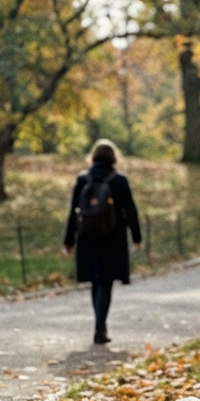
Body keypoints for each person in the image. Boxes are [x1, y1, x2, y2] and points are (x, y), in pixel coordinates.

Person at [63, 140, 142, 344]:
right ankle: (100, 327)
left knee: (95, 281)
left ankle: (99, 324)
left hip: (88, 237)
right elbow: (131, 211)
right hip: (112, 238)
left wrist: (68, 241)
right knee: (106, 282)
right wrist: (137, 237)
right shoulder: (119, 181)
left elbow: (74, 212)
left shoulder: (82, 179)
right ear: (113, 158)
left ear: (94, 157)